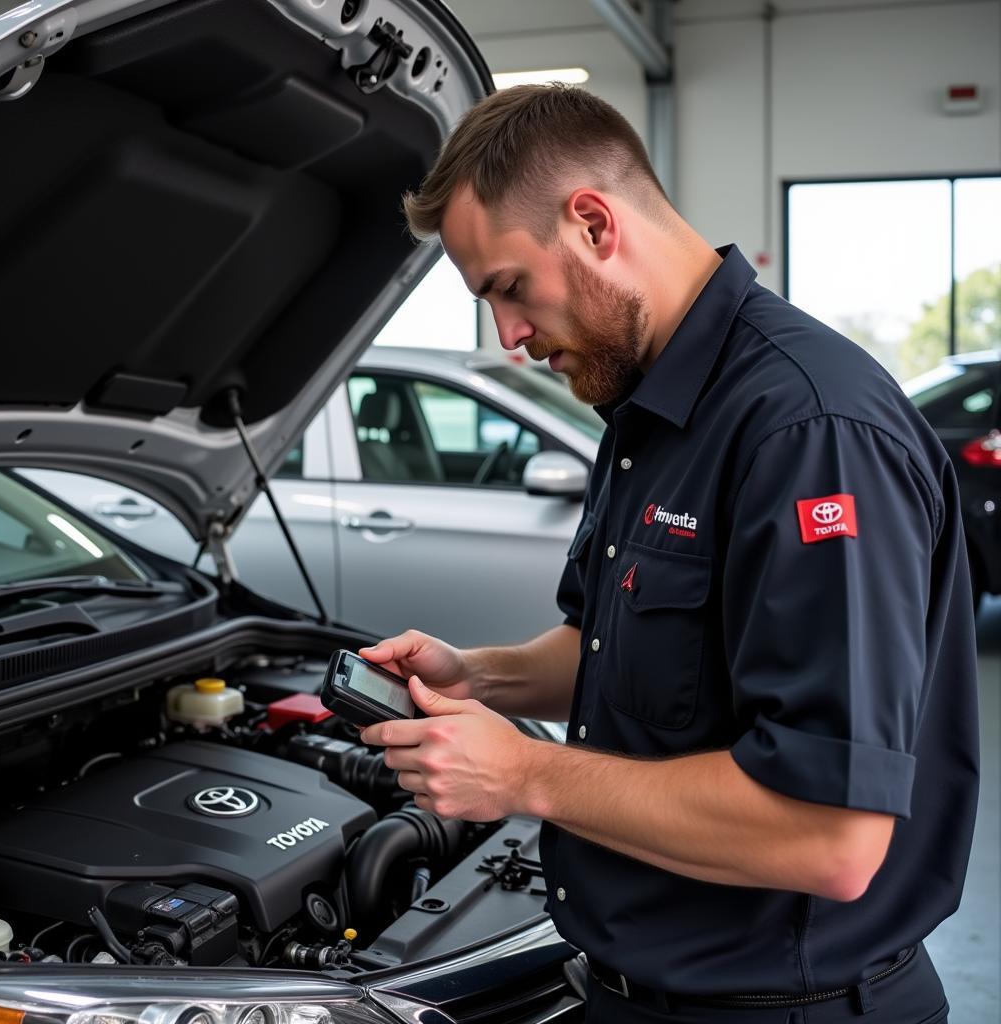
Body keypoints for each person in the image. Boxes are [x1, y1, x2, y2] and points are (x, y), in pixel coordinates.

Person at [357, 85, 979, 1023]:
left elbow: (831, 837)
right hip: (630, 989)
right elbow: (614, 649)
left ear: (594, 224)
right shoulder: (648, 406)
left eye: (509, 289)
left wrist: (526, 777)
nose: (511, 338)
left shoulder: (810, 431)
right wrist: (476, 676)